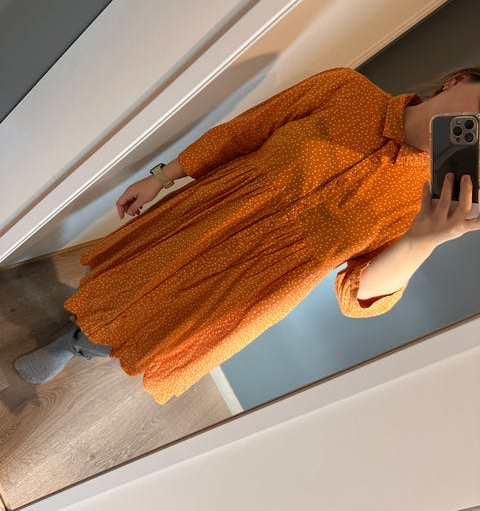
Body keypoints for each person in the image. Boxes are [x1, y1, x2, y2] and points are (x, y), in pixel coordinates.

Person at [14, 66, 480, 404]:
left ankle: (76, 346)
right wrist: (162, 176)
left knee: (168, 325)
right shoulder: (345, 89)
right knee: (128, 284)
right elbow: (244, 132)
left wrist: (424, 240)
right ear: (457, 80)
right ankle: (79, 329)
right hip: (217, 213)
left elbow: (356, 293)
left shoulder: (431, 200)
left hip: (264, 277)